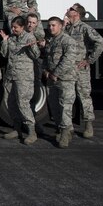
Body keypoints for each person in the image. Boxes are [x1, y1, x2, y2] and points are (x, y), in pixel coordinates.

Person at [65, 3, 103, 138]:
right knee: (67, 97)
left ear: (76, 14)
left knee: (84, 96)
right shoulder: (66, 28)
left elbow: (101, 42)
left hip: (80, 68)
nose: (68, 10)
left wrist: (89, 60)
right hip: (67, 67)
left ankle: (88, 125)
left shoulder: (84, 28)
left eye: (71, 9)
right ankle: (68, 127)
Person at [0, 16, 40, 145]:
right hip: (11, 76)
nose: (13, 29)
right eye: (12, 26)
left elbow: (36, 55)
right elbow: (4, 54)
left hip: (24, 77)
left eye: (16, 27)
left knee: (23, 103)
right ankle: (17, 129)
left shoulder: (29, 37)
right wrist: (5, 41)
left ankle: (31, 132)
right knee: (10, 102)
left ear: (22, 27)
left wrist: (31, 47)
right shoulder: (10, 38)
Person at [42, 16, 78, 148]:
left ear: (61, 26)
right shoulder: (51, 41)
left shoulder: (68, 41)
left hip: (65, 79)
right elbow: (46, 58)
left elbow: (68, 59)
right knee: (54, 107)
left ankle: (64, 133)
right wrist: (45, 71)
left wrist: (56, 73)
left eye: (53, 25)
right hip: (52, 80)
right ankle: (61, 128)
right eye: (49, 25)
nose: (51, 28)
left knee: (65, 107)